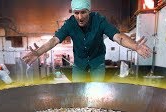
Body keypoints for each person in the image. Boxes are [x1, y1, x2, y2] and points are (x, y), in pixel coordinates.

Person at [22, 0, 152, 82]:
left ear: (89, 11)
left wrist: (135, 46)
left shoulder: (99, 20)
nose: (80, 17)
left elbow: (118, 37)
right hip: (79, 64)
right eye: (76, 13)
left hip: (97, 62)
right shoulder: (70, 24)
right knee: (78, 90)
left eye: (83, 12)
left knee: (97, 90)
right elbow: (54, 41)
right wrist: (38, 53)